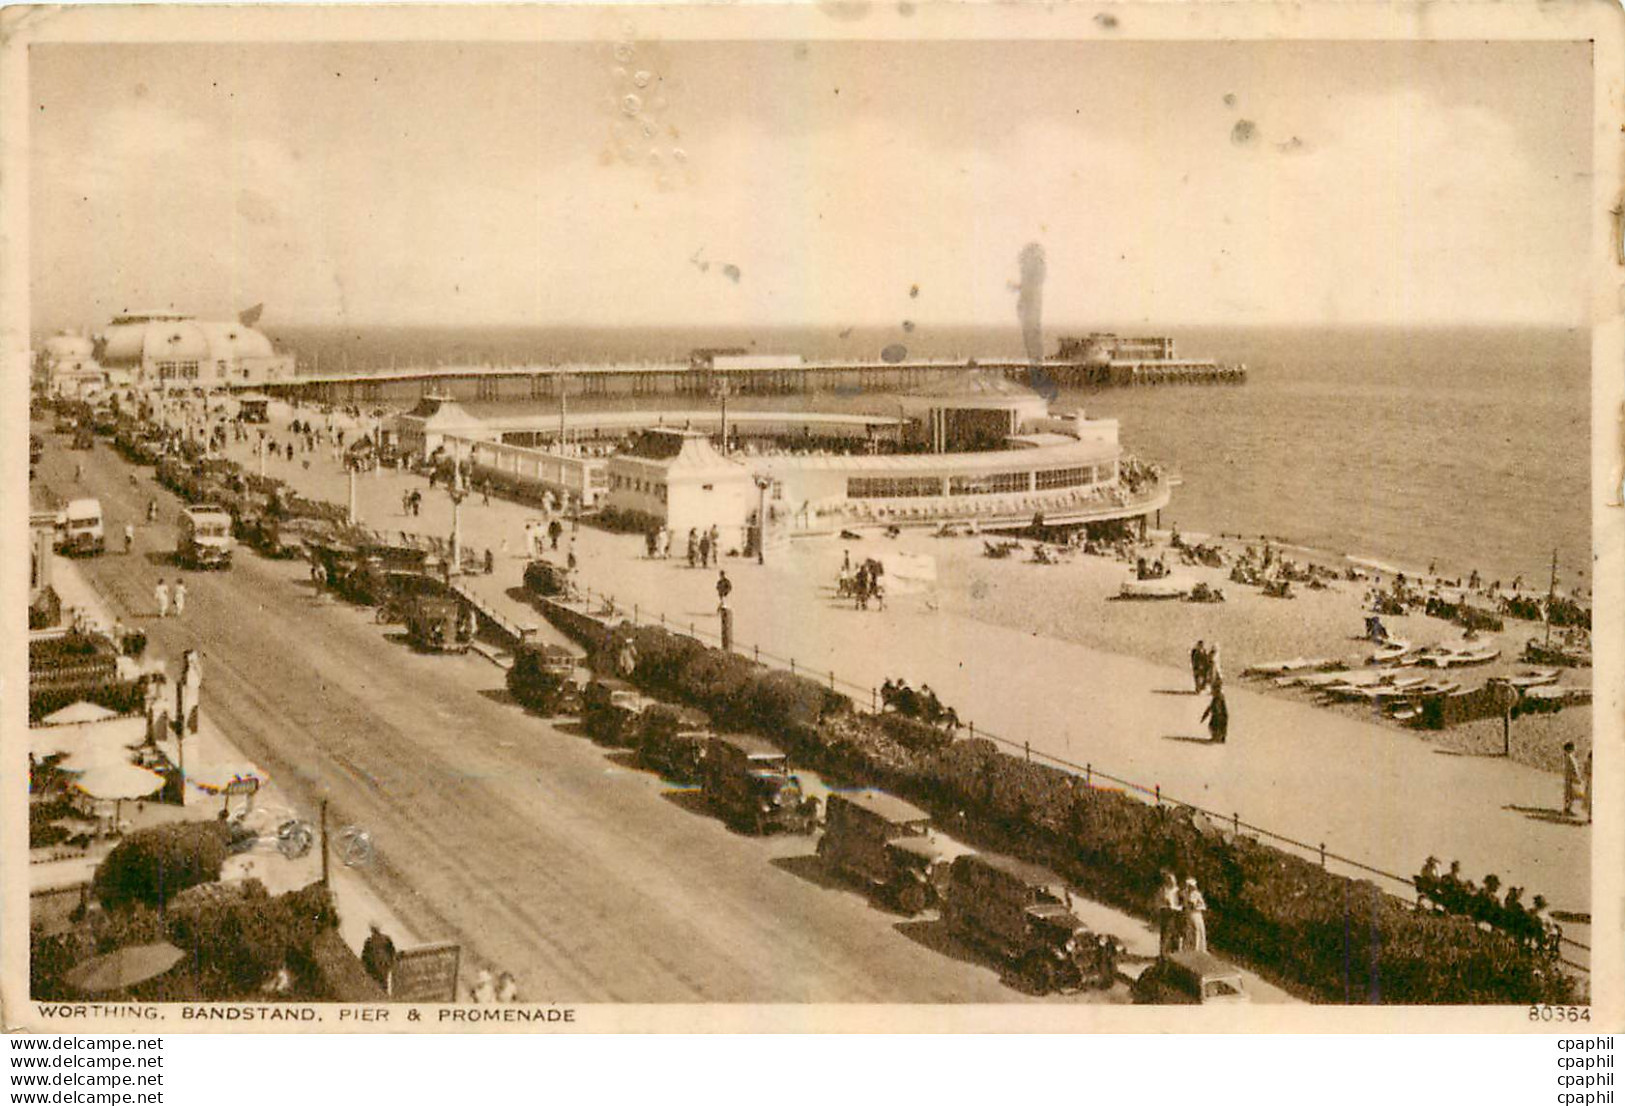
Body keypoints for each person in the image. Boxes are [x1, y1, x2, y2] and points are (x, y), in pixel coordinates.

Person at [1152, 870, 1182, 957]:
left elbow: (1183, 902)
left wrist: (1179, 907)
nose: (1171, 881)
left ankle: (1174, 953)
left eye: (1172, 879)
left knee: (1175, 933)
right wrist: (1163, 905)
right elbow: (1157, 901)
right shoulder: (1163, 889)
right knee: (1165, 932)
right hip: (1166, 912)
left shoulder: (1177, 891)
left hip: (1176, 913)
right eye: (1169, 879)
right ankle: (1163, 953)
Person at [361, 923, 397, 993]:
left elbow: (392, 951)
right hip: (377, 965)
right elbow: (365, 956)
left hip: (380, 965)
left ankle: (382, 994)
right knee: (380, 981)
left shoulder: (384, 940)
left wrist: (391, 962)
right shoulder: (369, 942)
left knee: (381, 981)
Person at [1182, 877, 1208, 953]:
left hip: (1197, 914)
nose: (1191, 888)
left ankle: (1199, 949)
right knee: (1189, 931)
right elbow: (1185, 904)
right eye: (1189, 886)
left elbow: (1203, 906)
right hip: (1189, 914)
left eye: (1192, 886)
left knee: (1199, 930)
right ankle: (1189, 948)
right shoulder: (1185, 894)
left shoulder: (1197, 894)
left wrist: (1197, 906)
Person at [1563, 742, 1583, 817]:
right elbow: (1574, 769)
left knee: (1568, 793)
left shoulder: (1567, 757)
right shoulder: (1570, 757)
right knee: (1571, 793)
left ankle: (1567, 808)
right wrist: (1578, 777)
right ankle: (1568, 809)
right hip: (1571, 778)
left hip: (1568, 777)